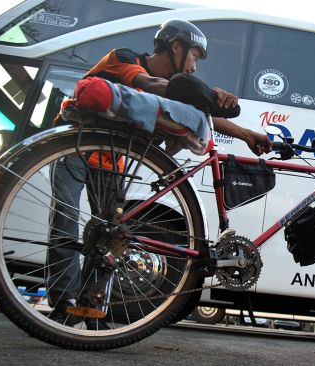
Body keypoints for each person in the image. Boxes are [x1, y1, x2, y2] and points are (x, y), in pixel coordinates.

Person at [46, 19, 271, 327]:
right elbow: (148, 85)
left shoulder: (176, 82)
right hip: (75, 149)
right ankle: (63, 304)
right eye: (193, 56)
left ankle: (91, 307)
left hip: (113, 163)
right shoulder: (124, 58)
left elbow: (197, 113)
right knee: (65, 223)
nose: (192, 67)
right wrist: (202, 93)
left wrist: (246, 133)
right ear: (176, 47)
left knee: (109, 236)